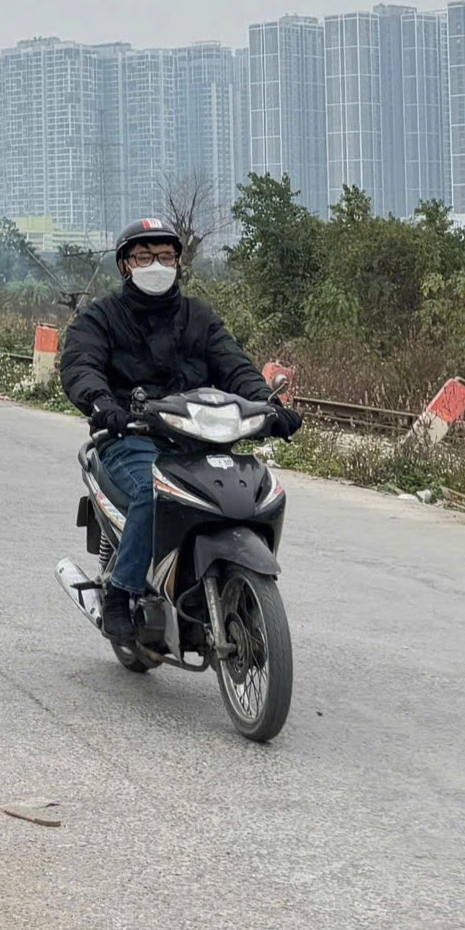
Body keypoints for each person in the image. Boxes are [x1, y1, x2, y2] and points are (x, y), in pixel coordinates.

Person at [60, 217, 300, 646]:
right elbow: (81, 365)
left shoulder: (199, 317)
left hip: (199, 438)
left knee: (254, 493)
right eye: (145, 256)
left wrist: (270, 406)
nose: (157, 264)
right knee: (154, 494)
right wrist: (102, 404)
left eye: (166, 256)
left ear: (178, 263)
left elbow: (235, 366)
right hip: (131, 437)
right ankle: (122, 592)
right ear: (125, 266)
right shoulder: (103, 317)